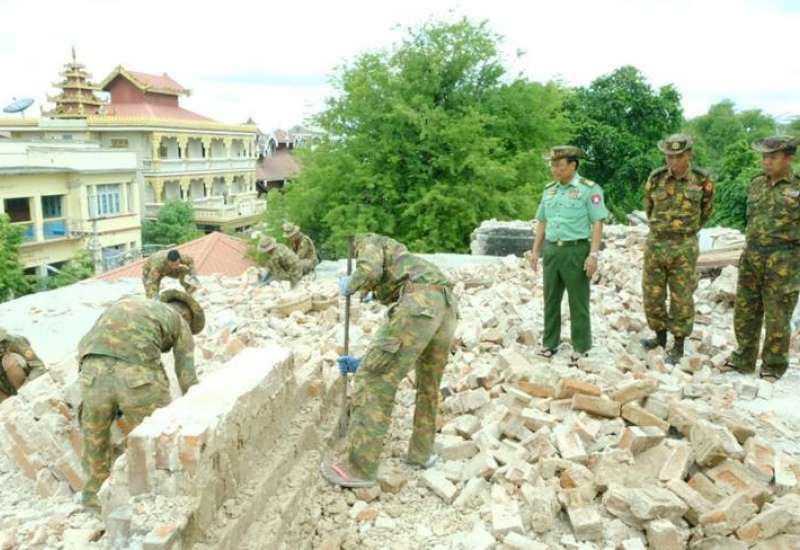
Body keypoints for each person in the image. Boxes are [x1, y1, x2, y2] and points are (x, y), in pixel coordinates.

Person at [320, 233, 457, 488]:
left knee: (373, 380)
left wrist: (351, 283)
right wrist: (364, 361)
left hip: (420, 303)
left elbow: (369, 271)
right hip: (447, 305)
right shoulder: (403, 261)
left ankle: (358, 468)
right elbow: (403, 353)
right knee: (428, 384)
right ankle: (421, 453)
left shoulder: (368, 241)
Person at [78, 290, 204, 509]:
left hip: (91, 372)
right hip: (137, 378)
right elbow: (187, 377)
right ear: (187, 316)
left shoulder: (127, 303)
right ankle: (160, 499)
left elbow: (85, 345)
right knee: (159, 436)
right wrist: (195, 414)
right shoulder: (179, 321)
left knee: (95, 441)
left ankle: (94, 500)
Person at [722, 136, 800, 382]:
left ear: (788, 158)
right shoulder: (756, 184)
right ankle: (743, 359)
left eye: (773, 157)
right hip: (752, 255)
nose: (766, 162)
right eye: (764, 157)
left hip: (784, 259)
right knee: (745, 311)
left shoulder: (797, 187)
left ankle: (773, 366)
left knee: (778, 314)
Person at [529, 145, 608, 364]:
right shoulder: (549, 190)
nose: (554, 170)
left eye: (559, 165)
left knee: (578, 300)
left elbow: (597, 222)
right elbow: (542, 221)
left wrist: (593, 255)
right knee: (550, 299)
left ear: (573, 165)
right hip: (552, 250)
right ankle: (549, 343)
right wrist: (535, 251)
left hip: (576, 250)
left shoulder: (589, 189)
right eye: (552, 165)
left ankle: (580, 346)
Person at [640, 134, 714, 364]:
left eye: (678, 156)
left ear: (689, 155)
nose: (673, 161)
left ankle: (679, 344)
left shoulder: (702, 180)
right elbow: (649, 208)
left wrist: (686, 231)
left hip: (684, 246)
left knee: (681, 296)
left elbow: (706, 211)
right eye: (669, 156)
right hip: (656, 243)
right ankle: (660, 337)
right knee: (652, 294)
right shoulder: (656, 178)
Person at [0, 328, 46, 400]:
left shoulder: (15, 341)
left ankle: (22, 395)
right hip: (5, 391)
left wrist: (28, 383)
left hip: (25, 383)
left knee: (8, 360)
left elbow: (38, 366)